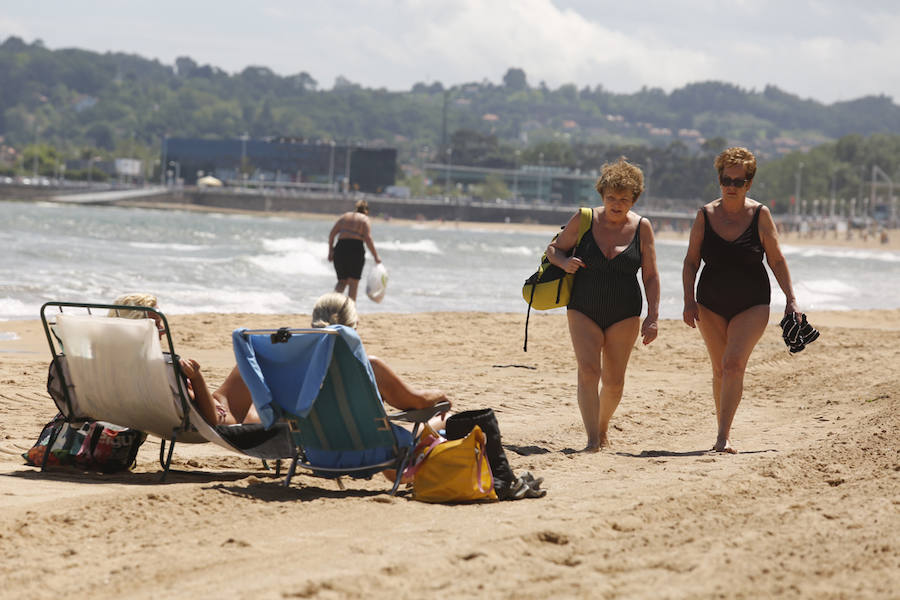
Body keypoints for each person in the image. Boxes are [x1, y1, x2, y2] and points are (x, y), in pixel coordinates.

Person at [682, 147, 800, 453]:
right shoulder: (704, 215)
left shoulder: (760, 215)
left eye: (739, 181)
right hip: (709, 302)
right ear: (719, 179)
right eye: (726, 179)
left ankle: (723, 436)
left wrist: (791, 299)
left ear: (749, 183)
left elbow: (776, 259)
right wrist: (688, 299)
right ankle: (723, 430)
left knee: (733, 365)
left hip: (753, 302)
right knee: (720, 369)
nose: (731, 186)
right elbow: (691, 262)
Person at [544, 158, 660, 452]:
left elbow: (650, 274)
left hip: (625, 312)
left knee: (614, 382)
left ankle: (603, 427)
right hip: (583, 307)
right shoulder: (584, 219)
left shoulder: (642, 228)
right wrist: (564, 261)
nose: (617, 204)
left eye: (624, 199)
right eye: (611, 198)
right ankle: (592, 438)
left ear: (633, 199)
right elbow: (554, 250)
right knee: (588, 370)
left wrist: (653, 315)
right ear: (602, 195)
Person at [109, 293, 260, 426]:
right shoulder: (164, 367)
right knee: (259, 356)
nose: (162, 330)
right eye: (156, 325)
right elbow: (211, 418)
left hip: (175, 417)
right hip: (223, 416)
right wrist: (196, 377)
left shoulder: (109, 363)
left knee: (255, 368)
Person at [310, 292, 450, 422]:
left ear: (314, 323)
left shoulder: (301, 365)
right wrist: (439, 395)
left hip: (315, 446)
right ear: (354, 325)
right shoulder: (369, 367)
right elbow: (418, 402)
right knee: (445, 420)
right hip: (370, 445)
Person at [327, 199, 382, 301]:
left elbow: (332, 234)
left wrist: (330, 251)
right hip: (355, 249)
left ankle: (331, 307)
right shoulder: (364, 219)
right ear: (366, 211)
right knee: (353, 282)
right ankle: (350, 311)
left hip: (340, 248)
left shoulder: (345, 217)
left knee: (342, 281)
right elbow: (368, 238)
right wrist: (376, 256)